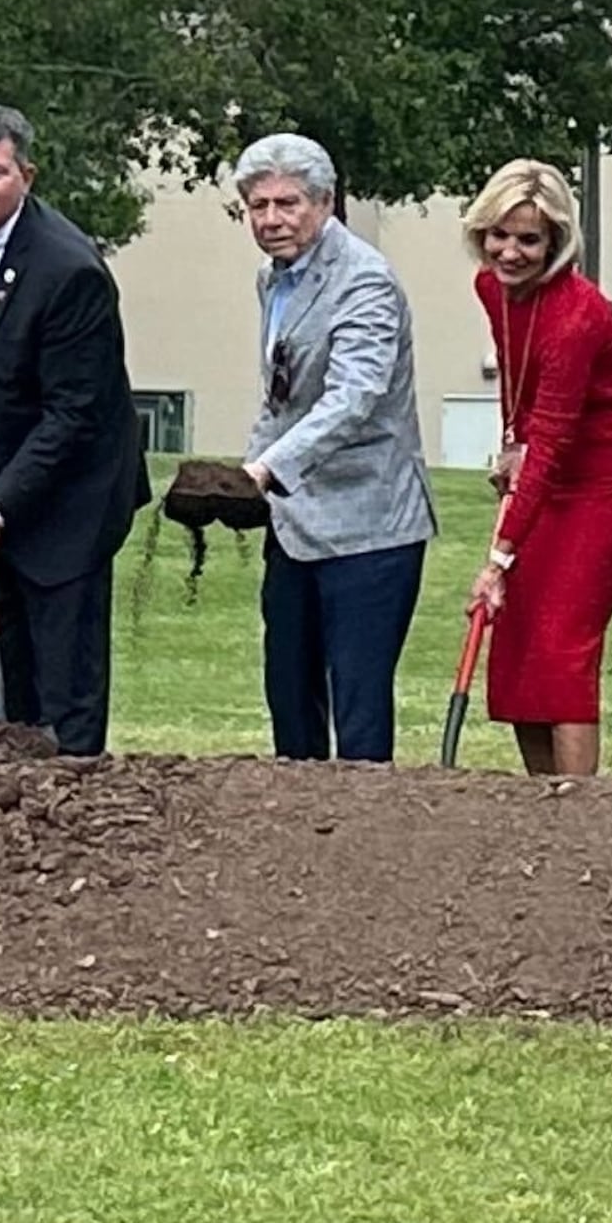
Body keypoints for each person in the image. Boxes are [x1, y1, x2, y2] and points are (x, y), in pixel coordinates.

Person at [0, 102, 146, 755]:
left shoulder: (68, 271)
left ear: (27, 175)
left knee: (60, 686)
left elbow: (73, 415)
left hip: (68, 504)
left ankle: (68, 811)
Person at [236, 133, 433, 762]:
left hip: (369, 528)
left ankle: (365, 843)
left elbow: (353, 399)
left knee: (358, 703)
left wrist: (267, 470)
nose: (272, 220)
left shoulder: (365, 282)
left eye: (287, 203)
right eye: (258, 206)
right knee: (289, 694)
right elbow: (282, 396)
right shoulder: (275, 278)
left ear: (325, 203)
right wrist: (245, 475)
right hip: (294, 524)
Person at [467, 159, 612, 777]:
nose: (511, 252)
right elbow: (517, 375)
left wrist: (498, 559)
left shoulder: (578, 315)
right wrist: (510, 441)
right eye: (501, 234)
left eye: (529, 240)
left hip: (606, 472)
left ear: (555, 243)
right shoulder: (490, 288)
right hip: (549, 457)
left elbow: (552, 446)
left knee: (562, 643)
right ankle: (541, 801)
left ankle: (578, 812)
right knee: (518, 639)